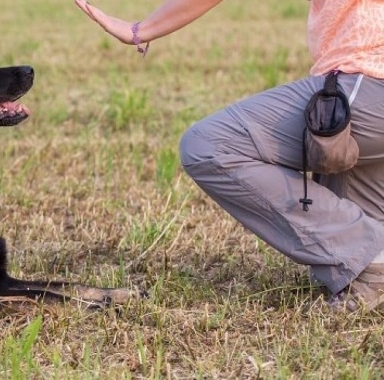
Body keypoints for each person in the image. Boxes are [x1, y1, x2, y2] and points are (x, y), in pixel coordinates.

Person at [74, 0, 384, 312]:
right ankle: (371, 275)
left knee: (208, 145)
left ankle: (372, 251)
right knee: (336, 152)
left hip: (369, 79)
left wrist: (139, 30)